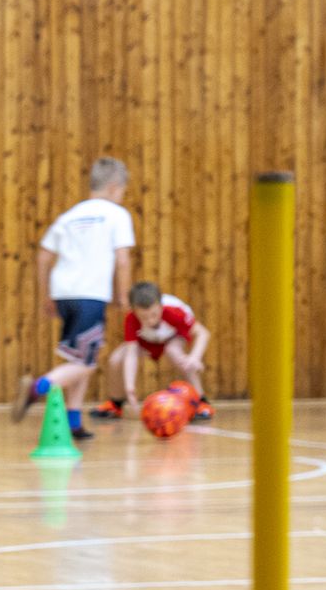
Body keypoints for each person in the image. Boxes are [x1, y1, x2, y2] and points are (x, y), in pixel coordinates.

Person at [13, 157, 135, 441]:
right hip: (90, 295)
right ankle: (38, 388)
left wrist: (46, 295)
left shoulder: (69, 215)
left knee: (78, 356)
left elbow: (43, 257)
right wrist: (123, 297)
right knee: (85, 363)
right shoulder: (116, 215)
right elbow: (123, 259)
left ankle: (73, 421)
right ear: (116, 187)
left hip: (64, 294)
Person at [93, 281, 214, 422]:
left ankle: (201, 402)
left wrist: (194, 357)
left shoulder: (174, 312)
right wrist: (129, 387)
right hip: (146, 341)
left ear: (161, 306)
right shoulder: (131, 319)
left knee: (176, 353)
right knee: (116, 359)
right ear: (134, 311)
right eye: (144, 317)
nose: (150, 321)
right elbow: (131, 354)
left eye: (154, 314)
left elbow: (203, 333)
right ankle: (115, 404)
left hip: (172, 337)